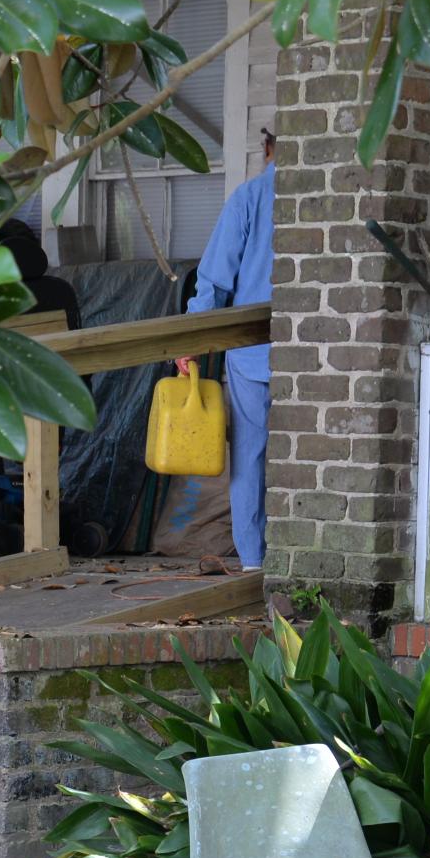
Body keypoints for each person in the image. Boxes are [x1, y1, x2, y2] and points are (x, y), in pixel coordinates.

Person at [186, 128, 276, 571]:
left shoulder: (250, 198)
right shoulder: (327, 197)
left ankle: (253, 561)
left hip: (252, 351)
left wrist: (190, 341)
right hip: (316, 358)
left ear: (267, 148)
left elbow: (214, 282)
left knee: (249, 457)